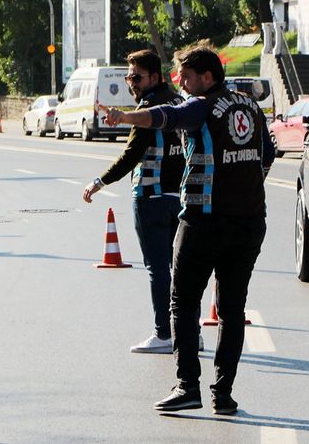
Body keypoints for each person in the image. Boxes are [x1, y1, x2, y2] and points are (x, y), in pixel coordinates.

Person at [100, 45, 274, 415]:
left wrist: (125, 117)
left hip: (203, 221)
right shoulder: (251, 107)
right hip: (249, 223)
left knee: (182, 302)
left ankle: (188, 386)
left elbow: (165, 116)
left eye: (187, 76)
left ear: (207, 78)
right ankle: (223, 394)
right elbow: (267, 155)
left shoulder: (202, 106)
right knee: (231, 309)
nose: (180, 81)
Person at [82, 50, 204, 354]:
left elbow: (131, 155)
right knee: (184, 268)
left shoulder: (148, 109)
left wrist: (99, 182)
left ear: (154, 77)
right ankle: (191, 333)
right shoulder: (179, 102)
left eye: (136, 77)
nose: (131, 83)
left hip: (151, 196)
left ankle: (164, 333)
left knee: (158, 267)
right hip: (184, 197)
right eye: (128, 77)